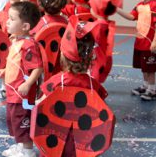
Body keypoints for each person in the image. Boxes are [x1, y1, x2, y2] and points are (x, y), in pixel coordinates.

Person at [38, 17, 108, 157]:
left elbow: (41, 108)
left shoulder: (56, 82)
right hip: (83, 143)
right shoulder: (93, 85)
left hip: (57, 139)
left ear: (63, 55)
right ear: (89, 58)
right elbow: (100, 111)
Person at [0, 1, 43, 157]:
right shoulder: (16, 41)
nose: (7, 21)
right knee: (15, 121)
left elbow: (37, 67)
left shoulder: (28, 45)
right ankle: (20, 146)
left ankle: (28, 151)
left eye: (12, 18)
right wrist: (5, 70)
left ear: (25, 26)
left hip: (22, 95)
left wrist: (28, 84)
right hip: (12, 92)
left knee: (23, 122)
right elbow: (16, 63)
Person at [117, 0, 156, 101]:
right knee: (144, 68)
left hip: (149, 44)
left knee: (150, 69)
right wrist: (116, 9)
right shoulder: (140, 6)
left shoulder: (155, 6)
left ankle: (152, 90)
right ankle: (145, 86)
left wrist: (155, 40)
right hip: (140, 43)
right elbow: (131, 16)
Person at [89, 0, 123, 83]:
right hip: (106, 59)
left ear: (97, 10)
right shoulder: (107, 24)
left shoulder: (98, 26)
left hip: (97, 61)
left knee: (93, 83)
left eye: (91, 6)